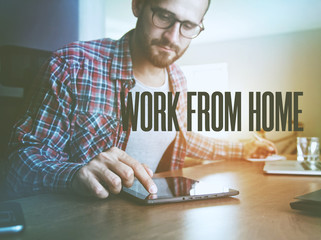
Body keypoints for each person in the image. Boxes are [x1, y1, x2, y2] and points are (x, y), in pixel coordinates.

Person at [4, 0, 276, 199]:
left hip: (155, 222)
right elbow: (18, 165)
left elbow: (181, 137)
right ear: (138, 6)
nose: (172, 36)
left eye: (188, 26)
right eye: (164, 16)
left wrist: (244, 149)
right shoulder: (73, 64)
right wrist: (74, 174)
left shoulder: (178, 79)